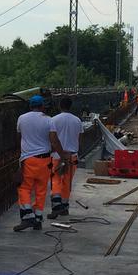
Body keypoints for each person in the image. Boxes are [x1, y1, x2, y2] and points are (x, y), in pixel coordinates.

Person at [15, 95, 59, 231]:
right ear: (42, 106)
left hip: (28, 159)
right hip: (45, 160)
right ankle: (38, 218)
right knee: (41, 189)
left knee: (24, 188)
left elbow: (19, 135)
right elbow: (53, 140)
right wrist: (62, 155)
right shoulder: (49, 120)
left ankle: (28, 216)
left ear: (30, 106)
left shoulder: (22, 118)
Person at [49, 96, 84, 219]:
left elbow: (52, 139)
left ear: (60, 105)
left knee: (56, 180)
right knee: (67, 182)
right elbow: (79, 140)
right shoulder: (77, 121)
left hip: (57, 156)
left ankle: (56, 206)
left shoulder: (53, 120)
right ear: (70, 106)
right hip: (72, 156)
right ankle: (64, 207)